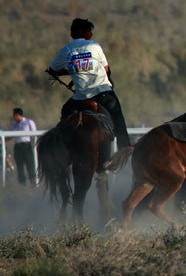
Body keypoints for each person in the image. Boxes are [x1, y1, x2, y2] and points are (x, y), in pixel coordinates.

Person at [48, 18, 131, 150]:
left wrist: (71, 69)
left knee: (65, 113)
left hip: (80, 98)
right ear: (82, 32)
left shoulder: (66, 50)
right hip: (102, 93)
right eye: (89, 31)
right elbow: (106, 69)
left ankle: (61, 147)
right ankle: (125, 149)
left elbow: (52, 70)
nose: (91, 34)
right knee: (118, 121)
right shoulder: (94, 46)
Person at [10, 108, 37, 186]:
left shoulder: (29, 122)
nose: (13, 117)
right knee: (19, 166)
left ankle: (33, 183)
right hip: (18, 147)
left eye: (14, 115)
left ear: (17, 115)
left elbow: (34, 134)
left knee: (30, 165)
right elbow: (11, 136)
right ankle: (22, 184)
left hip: (26, 146)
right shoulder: (14, 125)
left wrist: (33, 145)